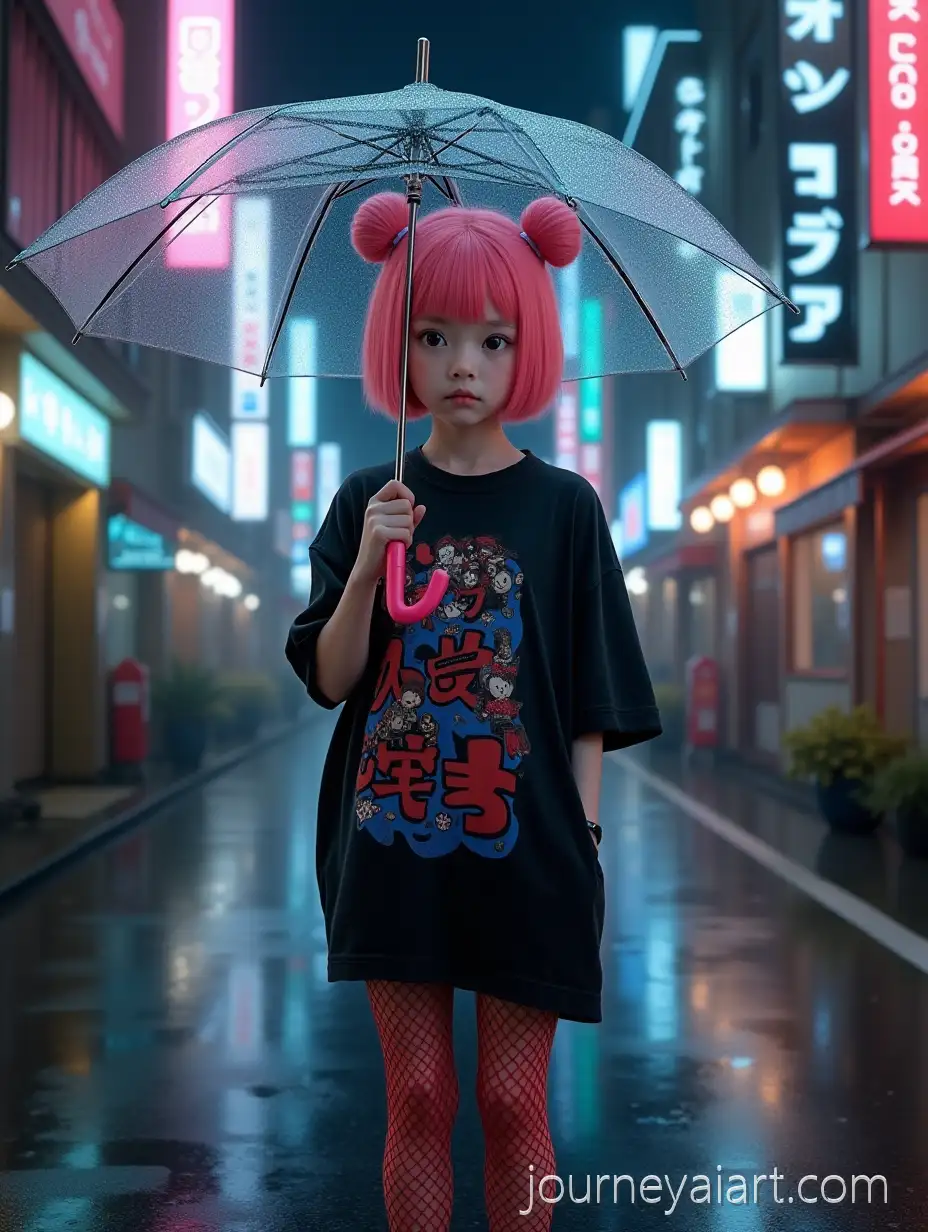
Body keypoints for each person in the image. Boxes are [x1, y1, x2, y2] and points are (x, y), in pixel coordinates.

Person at [285, 191, 662, 1231]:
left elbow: (591, 688)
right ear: (397, 345)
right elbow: (328, 675)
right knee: (416, 1094)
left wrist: (583, 831)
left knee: (509, 1097)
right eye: (435, 335)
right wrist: (367, 562)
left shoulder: (568, 507)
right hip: (390, 841)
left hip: (526, 842)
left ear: (525, 348)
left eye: (494, 339)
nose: (464, 363)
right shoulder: (371, 495)